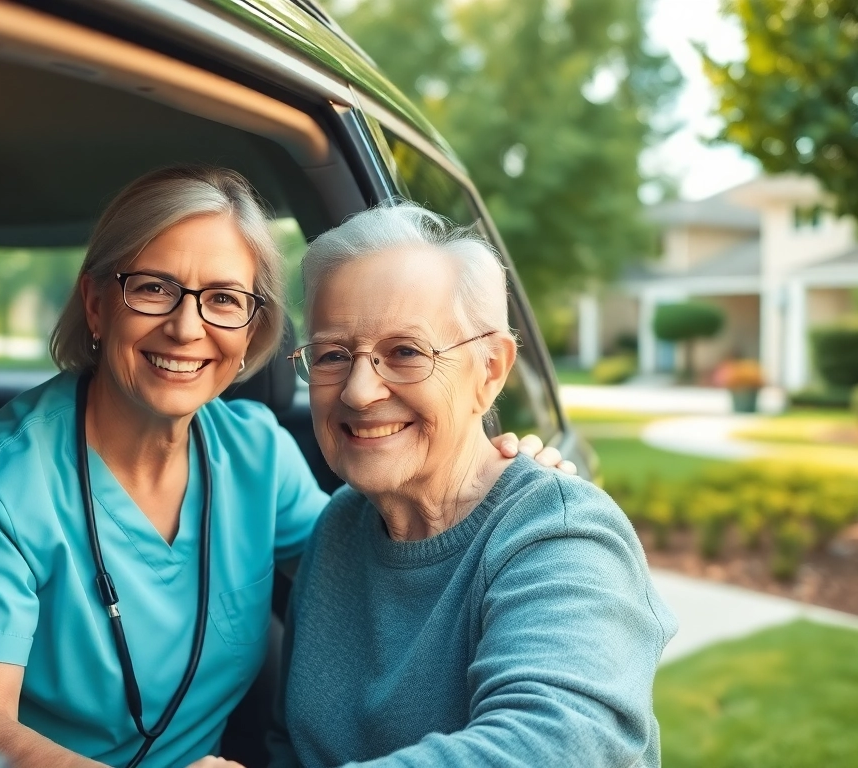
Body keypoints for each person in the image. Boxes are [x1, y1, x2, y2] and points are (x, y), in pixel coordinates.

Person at [0, 167, 570, 768]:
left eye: (223, 299)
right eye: (152, 288)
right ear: (97, 305)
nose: (187, 327)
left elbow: (388, 557)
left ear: (251, 331)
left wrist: (494, 490)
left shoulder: (256, 454)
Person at [269, 203, 677, 767]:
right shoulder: (339, 525)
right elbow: (289, 744)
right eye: (333, 355)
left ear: (490, 370)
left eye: (405, 352)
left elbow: (562, 743)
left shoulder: (560, 534)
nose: (359, 391)